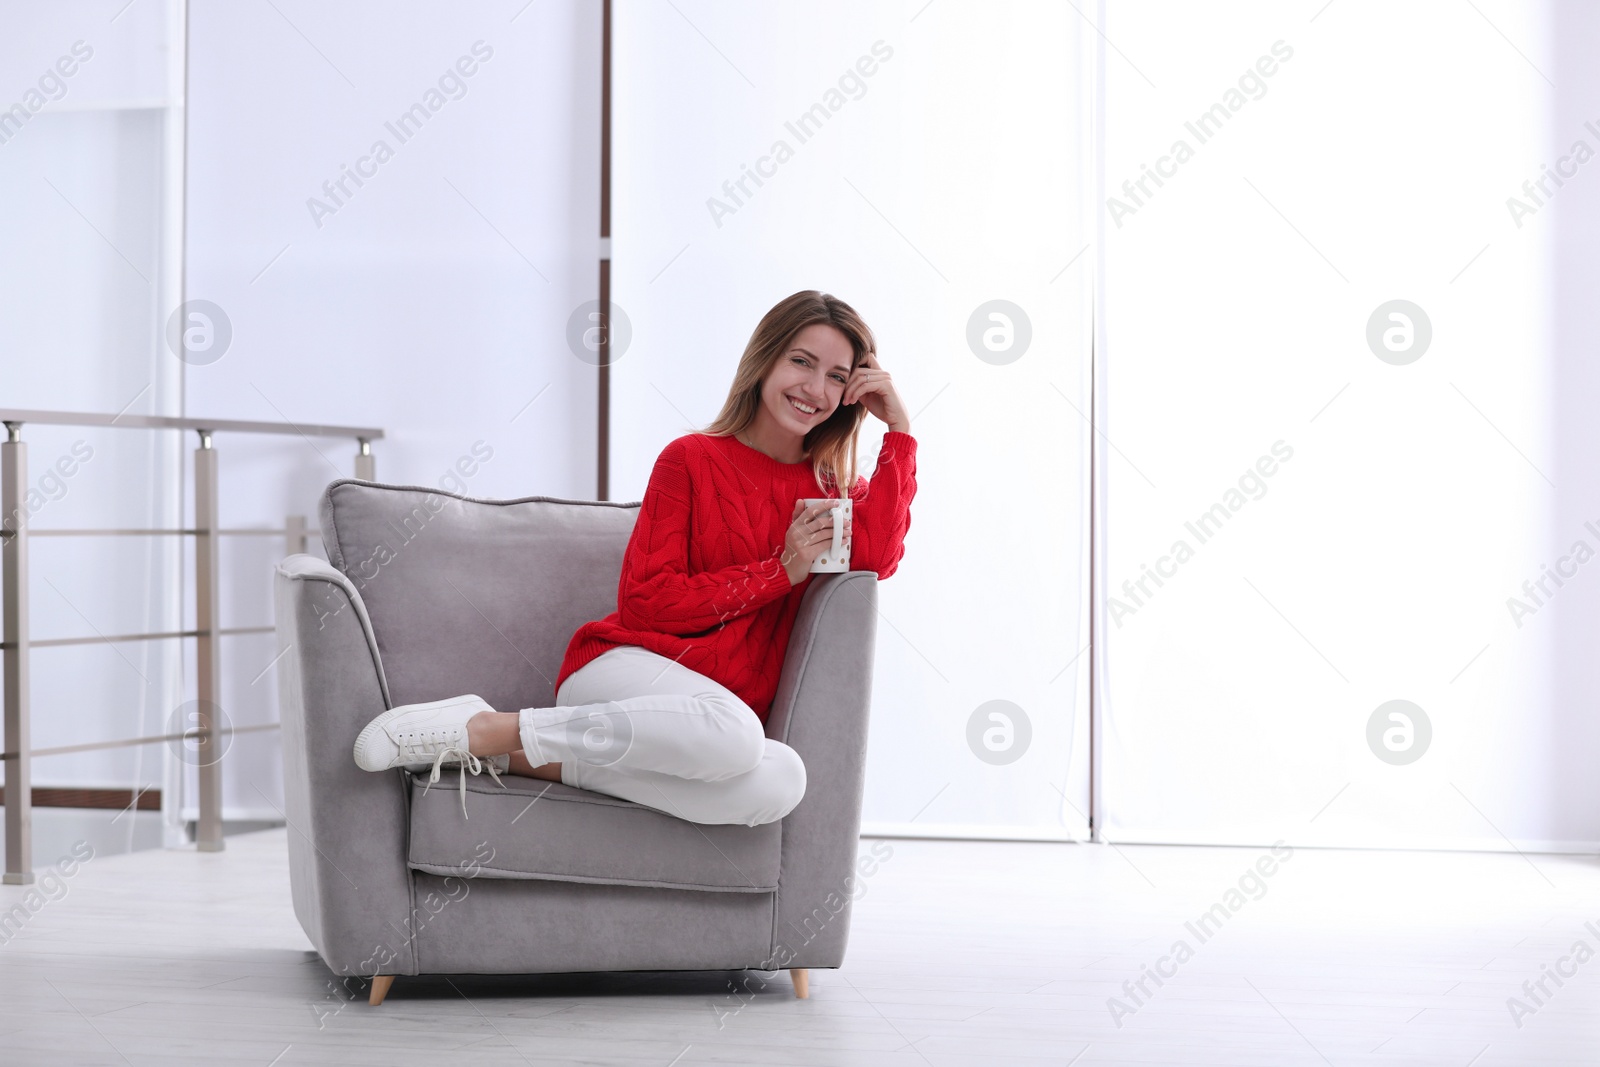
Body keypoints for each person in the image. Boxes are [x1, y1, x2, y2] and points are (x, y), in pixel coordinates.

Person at [352, 290, 918, 826]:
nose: (815, 388)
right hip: (623, 674)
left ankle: (511, 755)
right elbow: (647, 603)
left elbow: (880, 557)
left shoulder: (833, 491)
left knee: (782, 778)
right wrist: (780, 571)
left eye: (838, 377)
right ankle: (486, 729)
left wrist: (898, 429)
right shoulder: (691, 459)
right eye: (802, 361)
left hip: (705, 725)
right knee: (739, 737)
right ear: (766, 361)